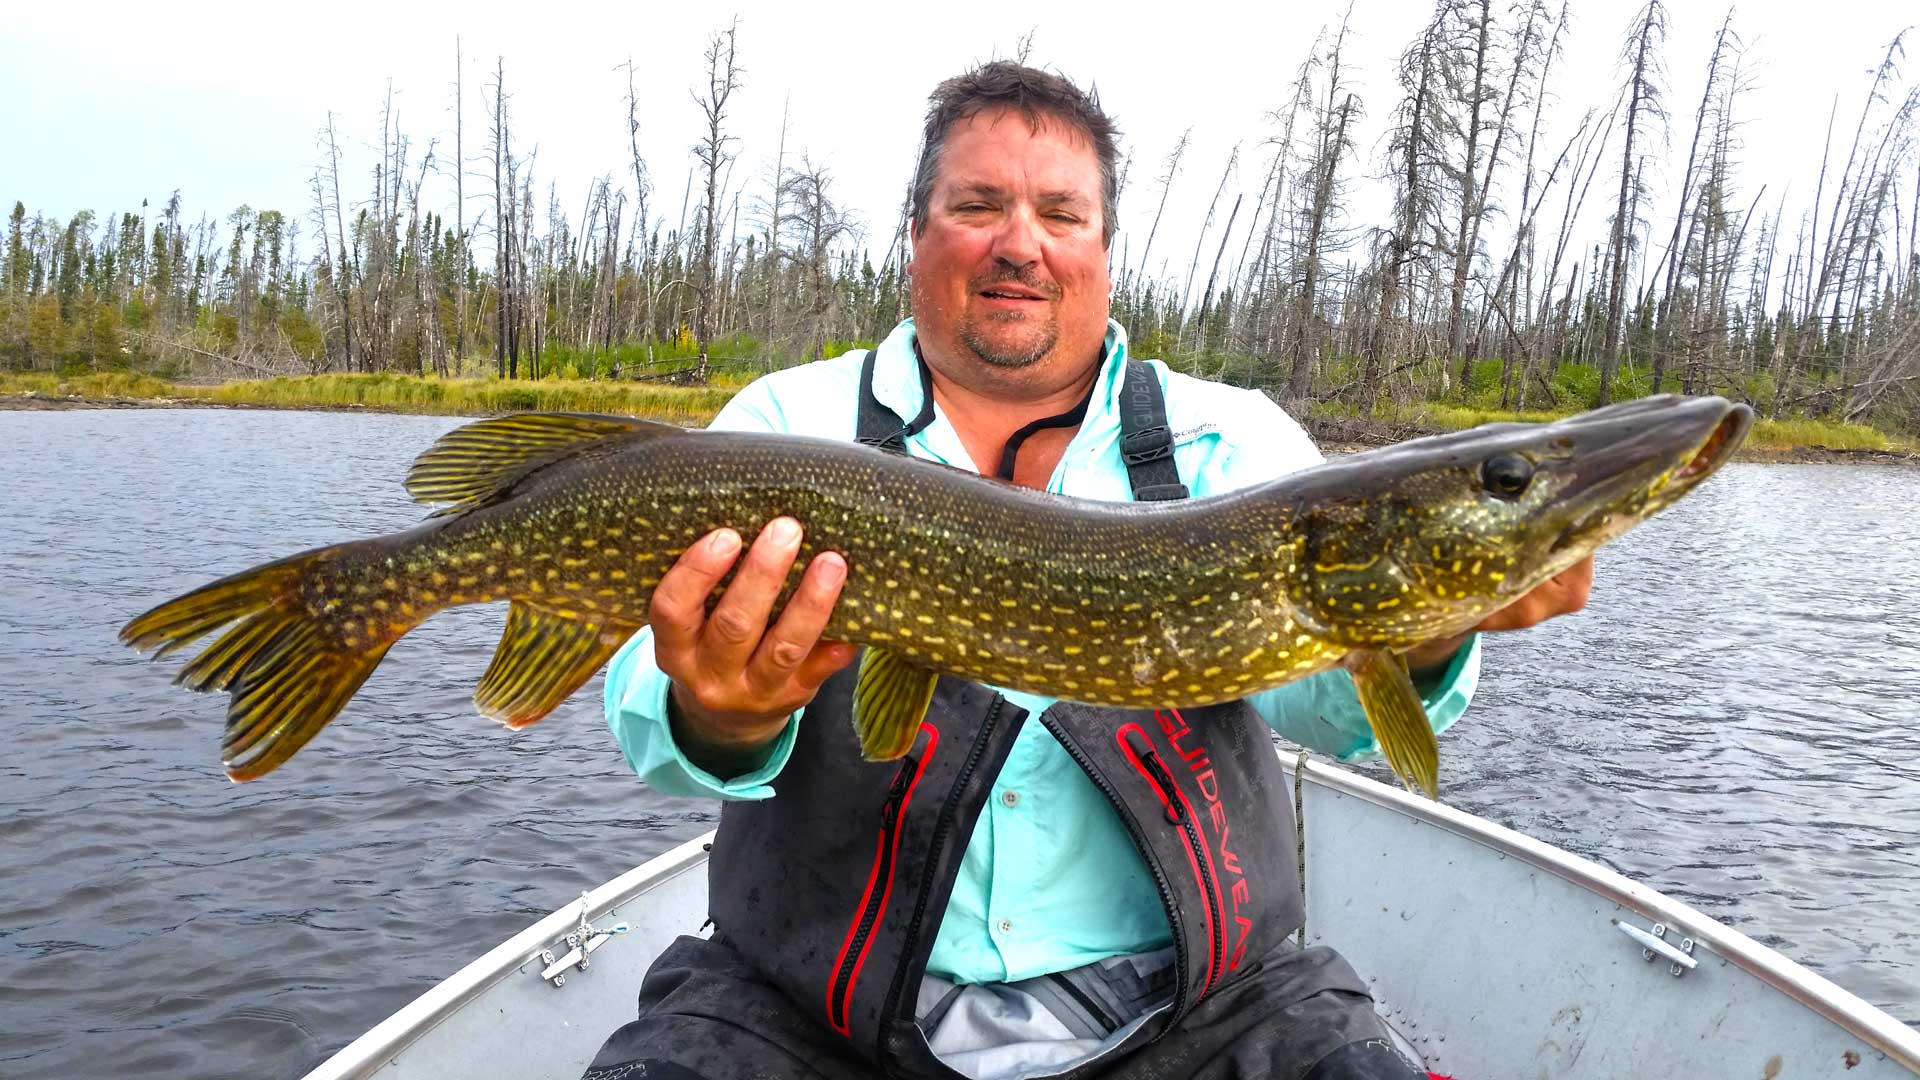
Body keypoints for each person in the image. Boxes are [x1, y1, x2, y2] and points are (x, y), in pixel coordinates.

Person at [583, 62, 1593, 1080]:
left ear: (1103, 249)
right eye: (978, 204)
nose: (1018, 241)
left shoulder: (1229, 446)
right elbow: (648, 724)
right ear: (918, 231)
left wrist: (1427, 630)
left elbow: (1323, 713)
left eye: (1060, 213)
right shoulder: (782, 427)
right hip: (807, 1005)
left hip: (1200, 1007)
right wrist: (724, 713)